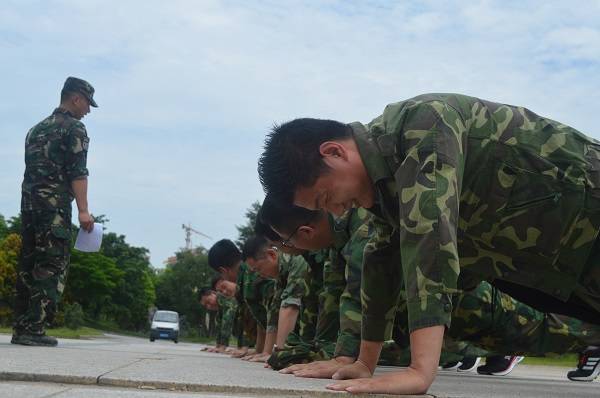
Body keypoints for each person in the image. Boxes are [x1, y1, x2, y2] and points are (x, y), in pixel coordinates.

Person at [258, 93, 600, 393]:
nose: (335, 210)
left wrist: (420, 372)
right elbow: (381, 263)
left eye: (326, 198)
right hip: (562, 265)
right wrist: (362, 362)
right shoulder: (385, 189)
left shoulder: (423, 123)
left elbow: (429, 237)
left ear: (334, 152)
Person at [12, 77, 97, 347]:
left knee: (28, 264)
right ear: (76, 99)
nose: (88, 110)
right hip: (54, 210)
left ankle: (21, 327)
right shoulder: (75, 129)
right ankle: (35, 328)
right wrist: (83, 211)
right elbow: (78, 172)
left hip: (29, 208)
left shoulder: (35, 130)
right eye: (87, 103)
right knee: (51, 264)